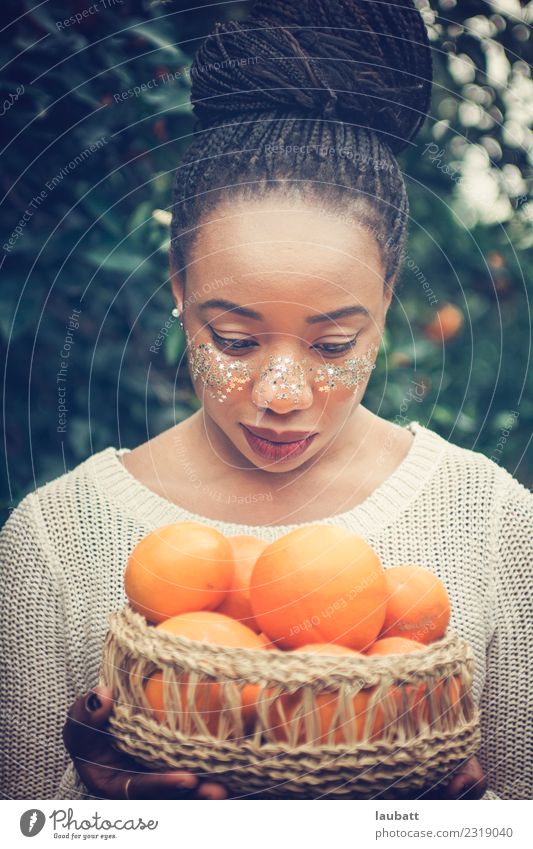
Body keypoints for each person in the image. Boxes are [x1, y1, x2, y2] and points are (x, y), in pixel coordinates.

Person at [0, 0, 531, 802]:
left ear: (385, 308)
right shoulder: (54, 542)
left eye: (330, 345)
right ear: (179, 292)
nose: (280, 396)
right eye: (237, 341)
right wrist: (100, 816)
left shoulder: (490, 523)